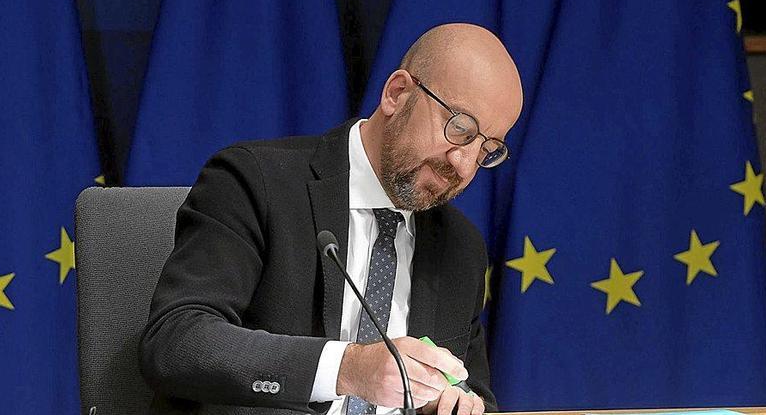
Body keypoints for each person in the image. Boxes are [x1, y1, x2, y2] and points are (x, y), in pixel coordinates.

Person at [139, 23, 524, 415]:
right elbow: (177, 342)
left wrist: (455, 404)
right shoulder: (255, 181)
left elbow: (474, 392)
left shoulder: (461, 248)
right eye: (460, 129)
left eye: (486, 149)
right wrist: (348, 368)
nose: (463, 165)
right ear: (397, 93)